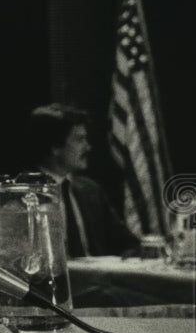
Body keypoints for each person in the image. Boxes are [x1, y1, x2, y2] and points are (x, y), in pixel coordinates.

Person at [27, 103, 139, 258]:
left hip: (97, 281)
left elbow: (128, 244)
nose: (88, 147)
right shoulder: (23, 195)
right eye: (80, 140)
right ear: (55, 147)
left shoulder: (90, 190)